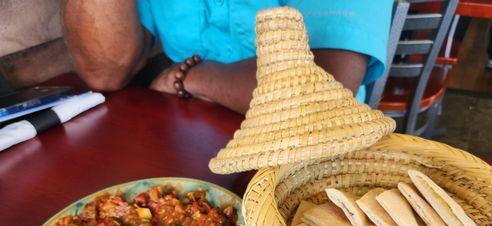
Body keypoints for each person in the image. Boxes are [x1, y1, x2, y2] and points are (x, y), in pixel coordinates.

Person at [61, 1, 393, 114]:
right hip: (184, 138)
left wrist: (190, 76)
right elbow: (104, 70)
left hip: (309, 151)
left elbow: (320, 87)